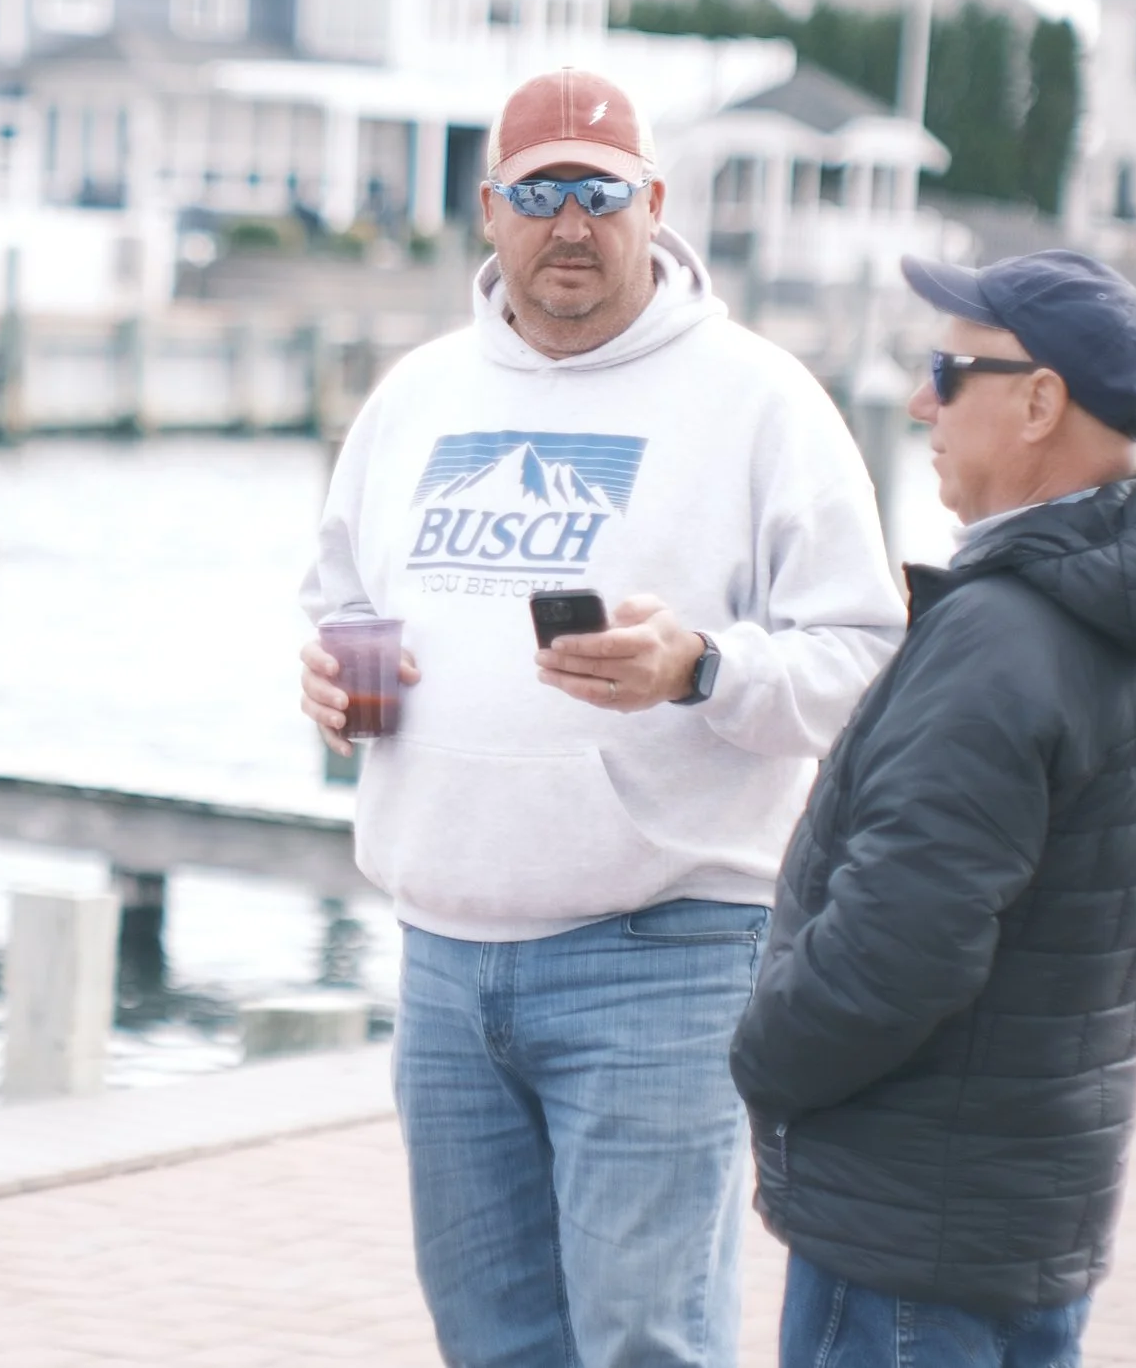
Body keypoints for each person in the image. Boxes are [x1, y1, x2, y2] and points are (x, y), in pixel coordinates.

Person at [298, 67, 906, 1368]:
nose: (569, 223)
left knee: (644, 1337)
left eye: (599, 193)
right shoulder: (415, 396)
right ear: (488, 210)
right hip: (442, 953)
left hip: (662, 951)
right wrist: (332, 682)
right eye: (538, 194)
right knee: (490, 1337)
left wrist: (701, 667)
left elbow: (864, 655)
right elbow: (339, 594)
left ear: (655, 203)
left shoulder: (761, 399)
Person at [731, 250, 1136, 1368]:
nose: (919, 400)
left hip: (909, 1227)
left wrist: (758, 1054)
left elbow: (898, 950)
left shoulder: (1003, 637)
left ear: (1038, 403)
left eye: (946, 371)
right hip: (1035, 1203)